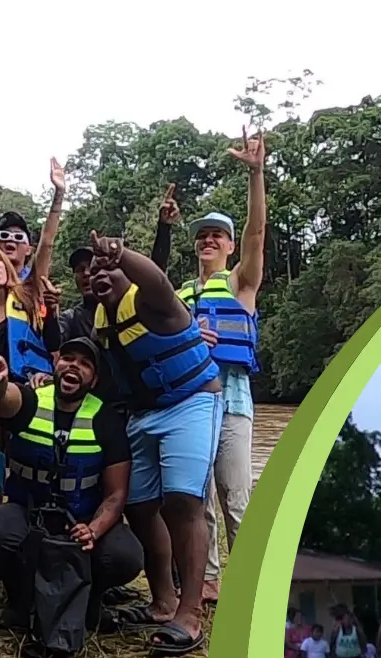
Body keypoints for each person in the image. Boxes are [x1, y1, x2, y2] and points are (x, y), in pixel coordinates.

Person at [84, 232, 223, 657]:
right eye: (94, 271)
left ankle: (190, 613)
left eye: (109, 268)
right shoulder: (101, 322)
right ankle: (162, 601)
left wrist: (121, 254)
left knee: (182, 503)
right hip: (141, 415)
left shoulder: (153, 302)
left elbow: (158, 279)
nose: (100, 273)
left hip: (192, 402)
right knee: (140, 505)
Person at [0, 338, 143, 643]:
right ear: (55, 365)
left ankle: (89, 598)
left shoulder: (107, 420)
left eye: (85, 363)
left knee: (126, 555)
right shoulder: (32, 400)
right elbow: (3, 397)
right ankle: (21, 597)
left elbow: (116, 495)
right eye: (68, 358)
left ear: (94, 379)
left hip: (81, 518)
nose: (74, 365)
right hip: (28, 511)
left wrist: (94, 530)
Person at [160, 132, 266, 604]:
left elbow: (257, 233)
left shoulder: (241, 282)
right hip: (192, 403)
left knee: (236, 497)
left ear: (228, 246)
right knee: (197, 498)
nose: (208, 240)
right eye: (201, 235)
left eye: (216, 236)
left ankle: (253, 582)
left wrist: (255, 173)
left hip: (233, 397)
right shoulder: (181, 293)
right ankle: (207, 580)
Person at [0, 160, 66, 511]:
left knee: (30, 460)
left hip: (32, 388)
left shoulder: (29, 291)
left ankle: (33, 521)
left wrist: (58, 195)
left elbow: (47, 244)